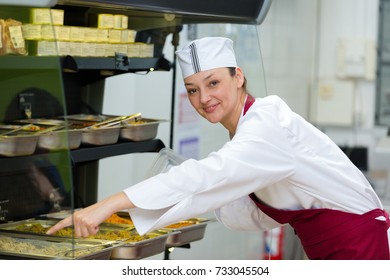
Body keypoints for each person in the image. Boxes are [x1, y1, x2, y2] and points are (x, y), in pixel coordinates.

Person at [47, 37, 390, 260]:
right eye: (193, 90)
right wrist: (187, 207)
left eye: (213, 83)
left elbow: (210, 173)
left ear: (238, 76)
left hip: (355, 250)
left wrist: (107, 206)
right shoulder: (246, 129)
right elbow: (261, 210)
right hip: (335, 249)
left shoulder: (264, 125)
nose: (204, 98)